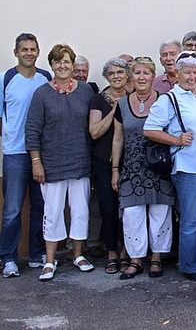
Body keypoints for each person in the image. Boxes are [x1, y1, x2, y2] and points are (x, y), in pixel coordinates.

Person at [144, 52, 196, 282]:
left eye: (195, 72)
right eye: (187, 72)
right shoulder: (169, 99)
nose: (192, 77)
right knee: (191, 220)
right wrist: (176, 140)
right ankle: (190, 266)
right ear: (177, 73)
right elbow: (150, 130)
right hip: (188, 168)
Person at [25, 44, 95, 281]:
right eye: (58, 62)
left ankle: (78, 255)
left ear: (73, 65)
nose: (63, 66)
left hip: (80, 162)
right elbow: (32, 129)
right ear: (51, 65)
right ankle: (49, 260)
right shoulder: (42, 94)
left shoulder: (85, 91)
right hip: (52, 163)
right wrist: (36, 162)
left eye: (66, 62)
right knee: (52, 213)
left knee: (80, 210)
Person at [111, 57, 174, 280]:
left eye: (146, 73)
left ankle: (156, 258)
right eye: (137, 73)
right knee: (132, 214)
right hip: (132, 168)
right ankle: (136, 260)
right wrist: (115, 169)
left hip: (158, 166)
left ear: (152, 76)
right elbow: (118, 139)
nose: (141, 77)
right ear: (131, 77)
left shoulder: (165, 100)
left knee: (160, 213)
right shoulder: (122, 104)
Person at [0, 33, 51, 278]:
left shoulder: (45, 78)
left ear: (38, 52)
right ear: (16, 52)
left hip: (43, 153)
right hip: (15, 154)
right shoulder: (6, 79)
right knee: (12, 208)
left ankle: (36, 254)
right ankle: (9, 258)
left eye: (33, 49)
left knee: (41, 206)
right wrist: (11, 137)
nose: (29, 53)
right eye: (24, 49)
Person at [88, 57, 129, 274]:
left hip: (129, 161)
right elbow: (94, 132)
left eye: (120, 72)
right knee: (108, 206)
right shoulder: (98, 100)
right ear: (106, 77)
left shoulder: (133, 98)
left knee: (129, 209)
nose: (116, 76)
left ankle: (126, 250)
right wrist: (115, 110)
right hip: (104, 161)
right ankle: (112, 251)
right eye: (112, 73)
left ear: (127, 75)